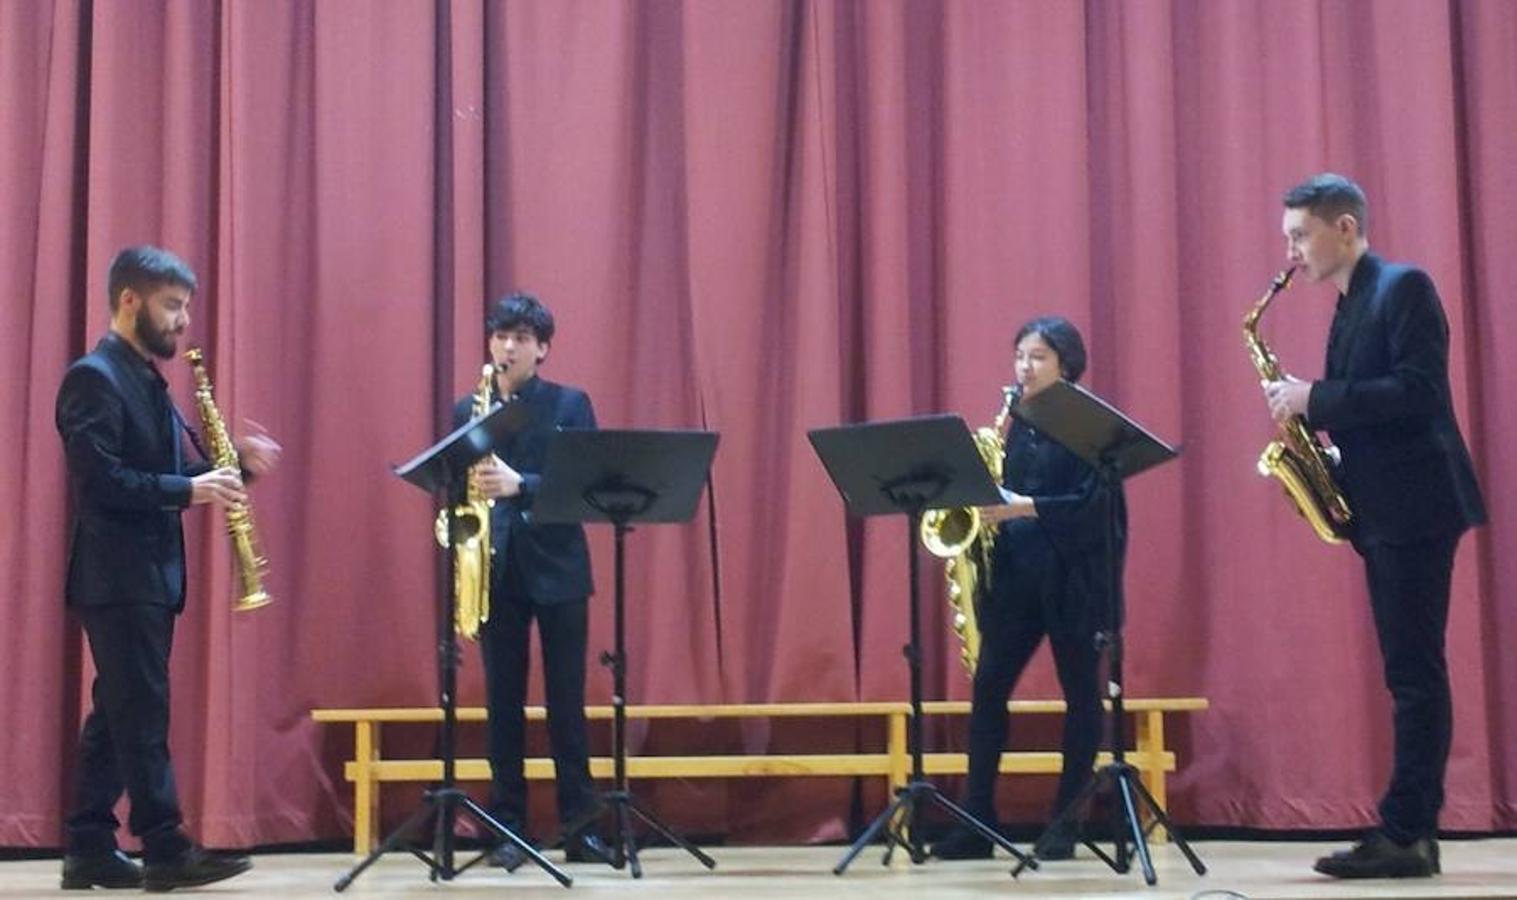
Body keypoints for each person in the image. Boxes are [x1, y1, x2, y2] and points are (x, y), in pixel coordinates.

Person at [1267, 174, 1486, 879]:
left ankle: (1408, 834)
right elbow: (1376, 404)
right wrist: (1325, 446)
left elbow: (1419, 390)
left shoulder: (1403, 286)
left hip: (1416, 505)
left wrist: (1314, 397)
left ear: (1345, 229)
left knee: (1414, 673)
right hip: (1386, 504)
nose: (1292, 251)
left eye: (1300, 236)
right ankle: (1403, 827)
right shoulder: (1351, 300)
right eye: (1288, 238)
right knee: (1408, 672)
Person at [55, 245, 281, 891]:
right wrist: (191, 491)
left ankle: (89, 846)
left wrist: (233, 465)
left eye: (184, 308)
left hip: (146, 577)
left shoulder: (145, 377)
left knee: (118, 711)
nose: (183, 322)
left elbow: (169, 471)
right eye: (172, 306)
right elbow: (100, 483)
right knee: (143, 710)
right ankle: (164, 846)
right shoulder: (93, 377)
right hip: (115, 576)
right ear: (130, 301)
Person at [931, 316, 1120, 861]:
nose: (1024, 367)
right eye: (1019, 355)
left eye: (1037, 357)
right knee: (989, 688)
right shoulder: (1019, 419)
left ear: (1067, 364)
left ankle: (1066, 822)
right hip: (1019, 574)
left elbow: (1097, 510)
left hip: (1075, 577)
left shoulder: (1090, 424)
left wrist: (1024, 508)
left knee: (1082, 696)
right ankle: (978, 819)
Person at [457, 292, 608, 868]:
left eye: (521, 337)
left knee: (567, 704)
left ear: (542, 349)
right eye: (500, 335)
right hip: (495, 568)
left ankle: (581, 828)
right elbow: (452, 483)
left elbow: (586, 484)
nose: (507, 346)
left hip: (560, 567)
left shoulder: (571, 404)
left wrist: (524, 485)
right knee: (502, 704)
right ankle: (508, 827)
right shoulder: (466, 410)